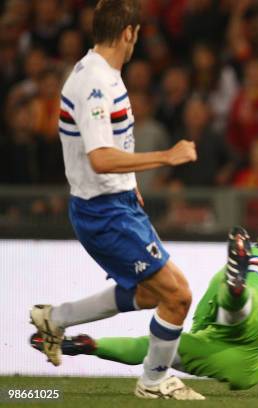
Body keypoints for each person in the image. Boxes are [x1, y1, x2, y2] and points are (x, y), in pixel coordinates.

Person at [28, 0, 203, 400]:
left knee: (149, 293)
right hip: (102, 211)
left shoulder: (104, 73)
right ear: (129, 32)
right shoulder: (95, 83)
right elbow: (100, 157)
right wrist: (165, 156)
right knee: (177, 296)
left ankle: (54, 319)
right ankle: (154, 381)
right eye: (137, 34)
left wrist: (130, 182)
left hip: (118, 202)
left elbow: (110, 146)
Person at [31, 227, 258, 392]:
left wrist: (205, 326)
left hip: (227, 315)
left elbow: (202, 310)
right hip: (245, 362)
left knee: (162, 345)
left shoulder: (252, 259)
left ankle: (87, 344)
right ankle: (238, 303)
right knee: (246, 347)